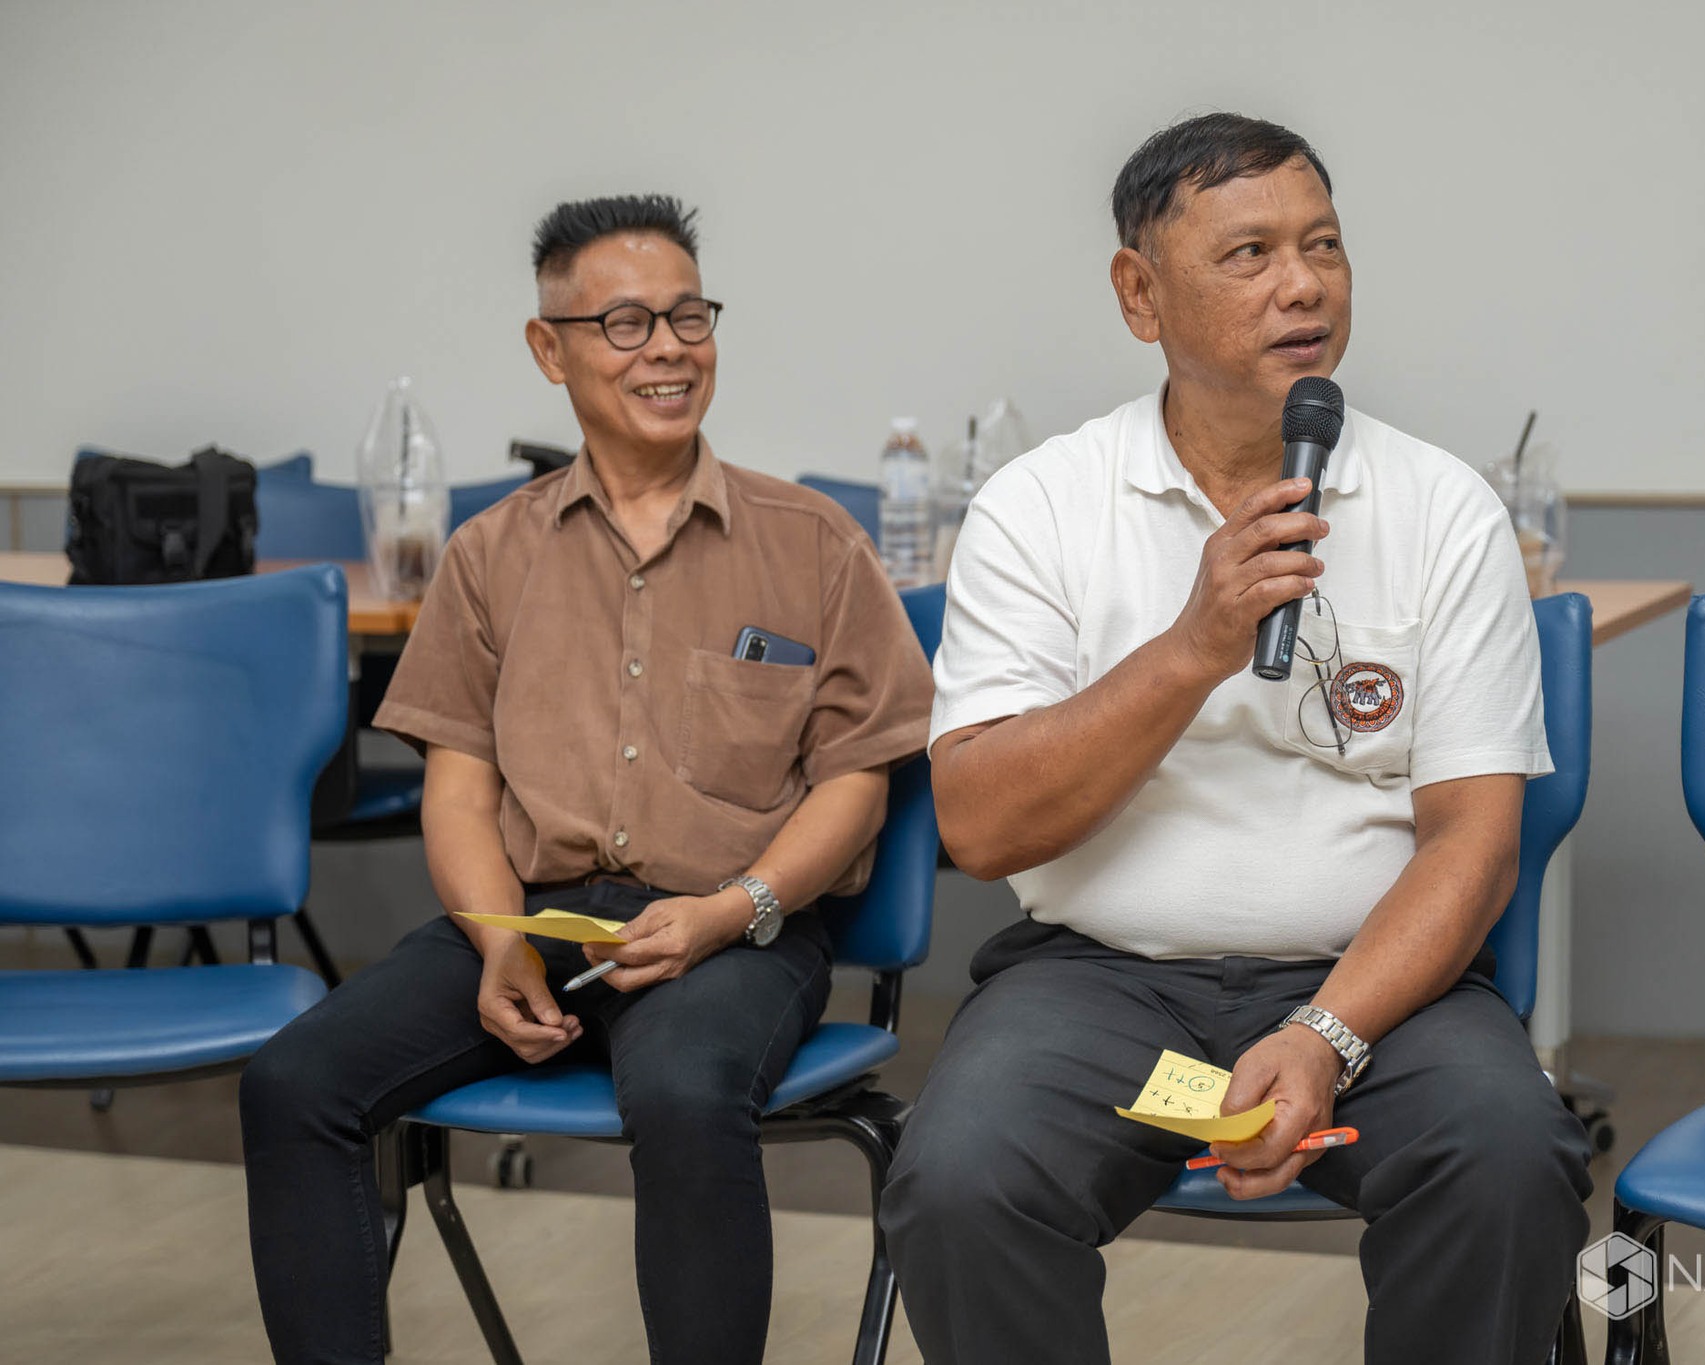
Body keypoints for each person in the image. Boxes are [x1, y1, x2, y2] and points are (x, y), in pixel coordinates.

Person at [878, 114, 1592, 1364]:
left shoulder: (1442, 510)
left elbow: (1472, 846)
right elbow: (980, 827)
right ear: (1138, 294)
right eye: (1249, 254)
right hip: (1096, 980)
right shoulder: (1038, 507)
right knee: (956, 1181)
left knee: (1508, 1158)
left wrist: (1323, 1034)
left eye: (1323, 245)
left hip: (1376, 985)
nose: (1302, 285)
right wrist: (1190, 649)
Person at [240, 194, 933, 1363]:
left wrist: (731, 910)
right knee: (293, 1081)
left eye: (687, 316)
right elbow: (459, 791)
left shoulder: (814, 543)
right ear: (547, 349)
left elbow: (856, 784)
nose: (667, 348)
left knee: (682, 1092)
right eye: (623, 323)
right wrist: (495, 942)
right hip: (531, 918)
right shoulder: (488, 554)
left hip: (736, 931)